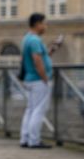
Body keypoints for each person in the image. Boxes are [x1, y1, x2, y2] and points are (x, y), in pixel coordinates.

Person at [19, 13, 60, 149]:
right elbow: (37, 60)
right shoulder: (35, 40)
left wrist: (51, 51)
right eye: (44, 23)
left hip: (29, 79)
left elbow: (40, 57)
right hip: (38, 80)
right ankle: (34, 140)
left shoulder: (26, 38)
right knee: (39, 110)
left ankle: (25, 138)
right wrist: (45, 79)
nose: (45, 26)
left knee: (30, 109)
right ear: (37, 24)